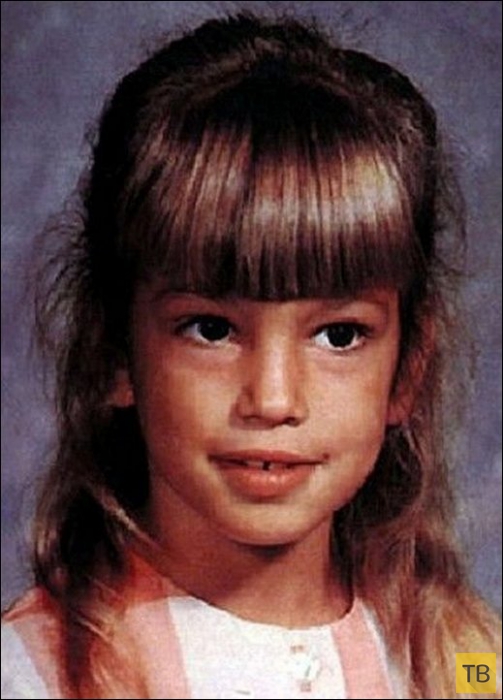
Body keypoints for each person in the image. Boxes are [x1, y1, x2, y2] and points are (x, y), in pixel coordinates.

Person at [1, 11, 500, 700]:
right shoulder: (33, 675)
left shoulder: (466, 662)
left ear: (407, 370)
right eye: (211, 329)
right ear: (114, 351)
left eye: (338, 335)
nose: (273, 398)